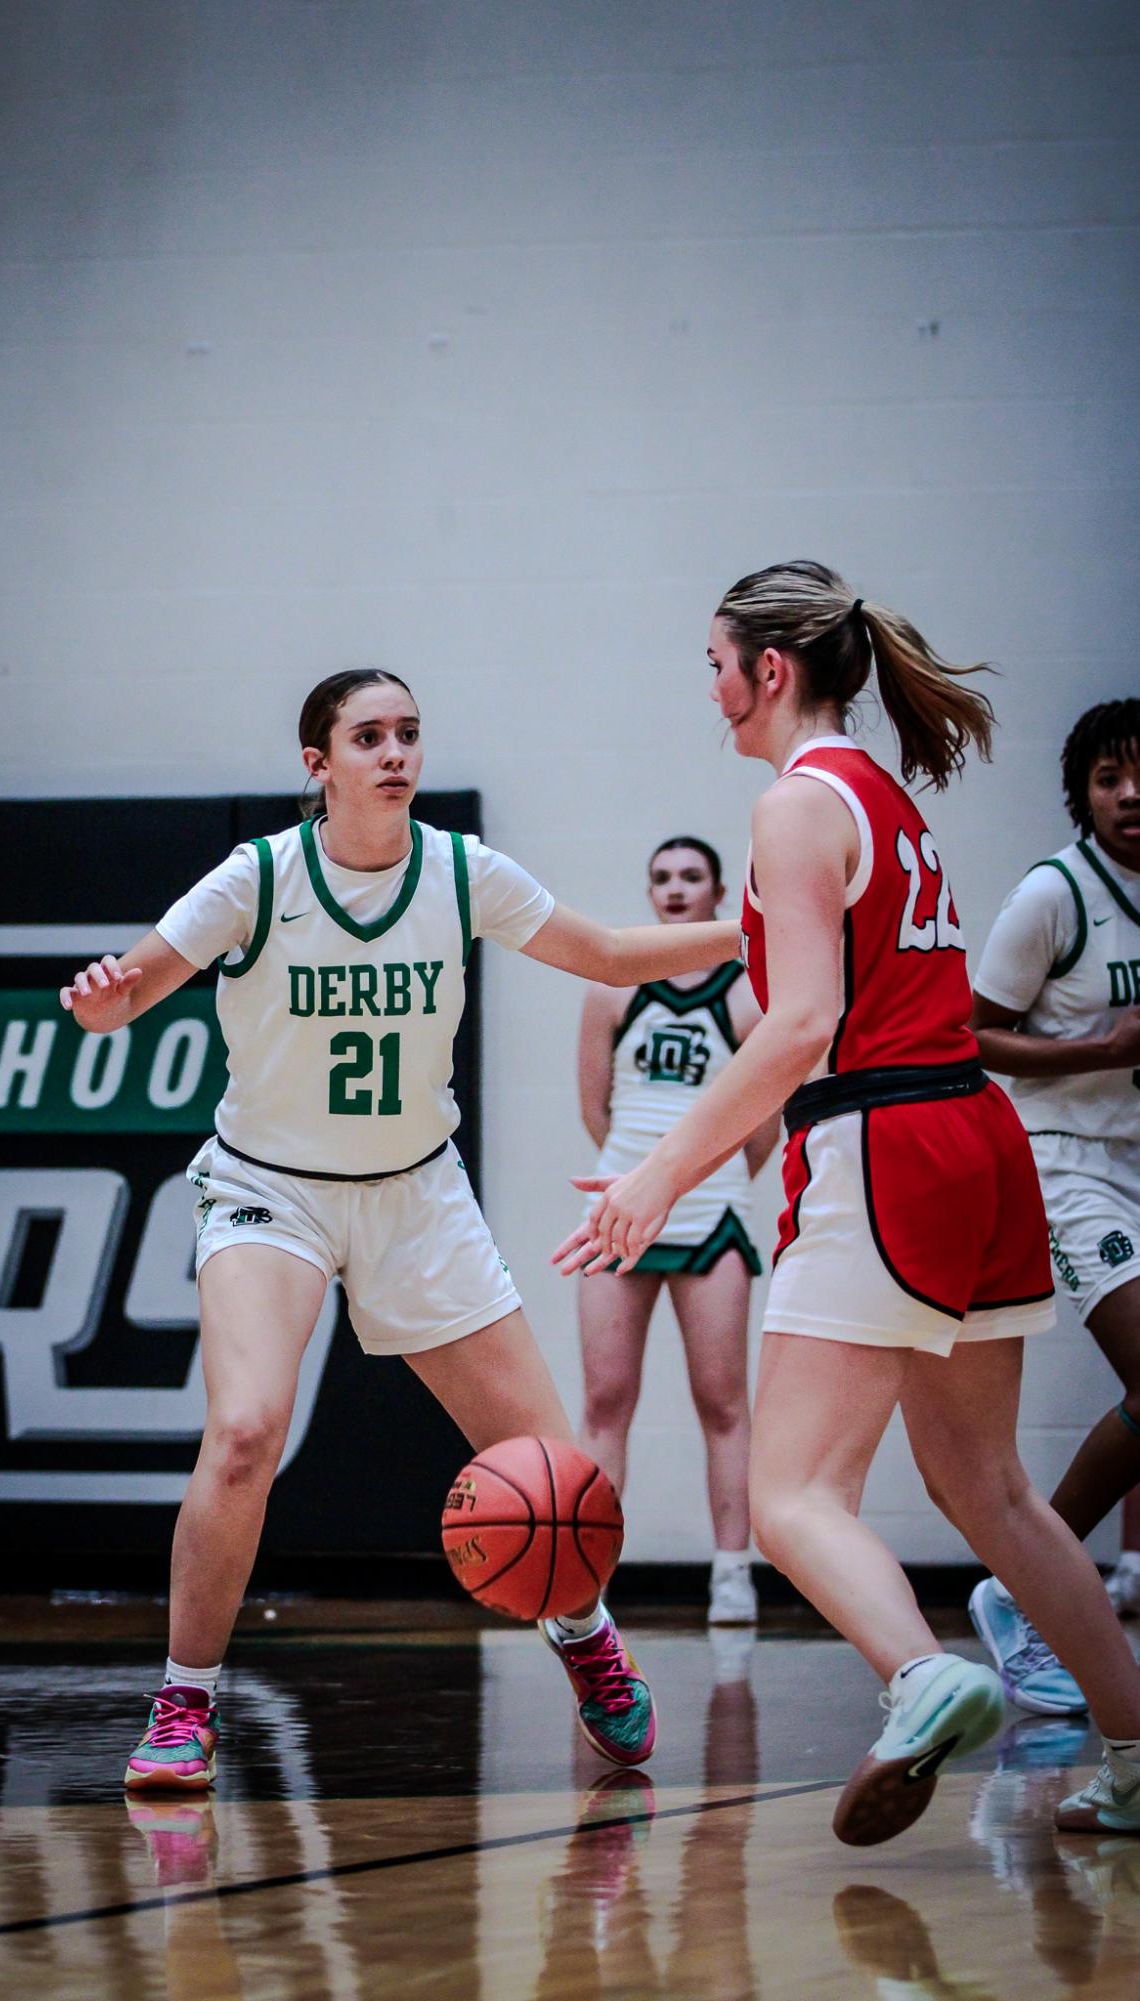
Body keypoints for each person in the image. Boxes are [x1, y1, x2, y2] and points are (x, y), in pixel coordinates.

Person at [60, 668, 743, 1791]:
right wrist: (101, 1000)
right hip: (266, 1190)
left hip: (416, 1194)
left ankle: (588, 1647)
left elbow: (615, 956)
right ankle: (184, 1703)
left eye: (408, 734)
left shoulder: (460, 871)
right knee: (242, 1435)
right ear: (316, 765)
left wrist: (755, 931)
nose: (394, 753)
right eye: (367, 736)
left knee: (548, 1467)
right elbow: (133, 986)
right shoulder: (258, 877)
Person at [555, 561, 1140, 1843]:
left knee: (791, 1496)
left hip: (883, 1145)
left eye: (716, 664)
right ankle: (1136, 1750)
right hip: (977, 1140)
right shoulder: (879, 794)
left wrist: (658, 1172)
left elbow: (803, 1022)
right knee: (990, 1489)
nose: (708, 691)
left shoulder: (792, 807)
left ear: (770, 670)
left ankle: (921, 1675)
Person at [966, 700, 1140, 1699]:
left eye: (1139, 777)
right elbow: (965, 1032)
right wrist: (1091, 1050)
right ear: (1079, 792)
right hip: (1063, 1160)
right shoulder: (1051, 895)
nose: (1128, 796)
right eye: (1108, 778)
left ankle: (1023, 1586)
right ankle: (1019, 1585)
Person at [575, 835, 777, 1624]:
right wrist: (635, 1178)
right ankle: (589, 1579)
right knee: (606, 1398)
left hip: (710, 1211)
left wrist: (705, 1177)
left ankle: (732, 1571)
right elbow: (596, 1106)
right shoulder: (612, 990)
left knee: (721, 1401)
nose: (675, 888)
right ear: (651, 893)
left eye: (691, 875)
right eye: (661, 876)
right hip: (622, 1206)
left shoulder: (747, 993)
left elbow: (762, 1122)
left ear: (718, 890)